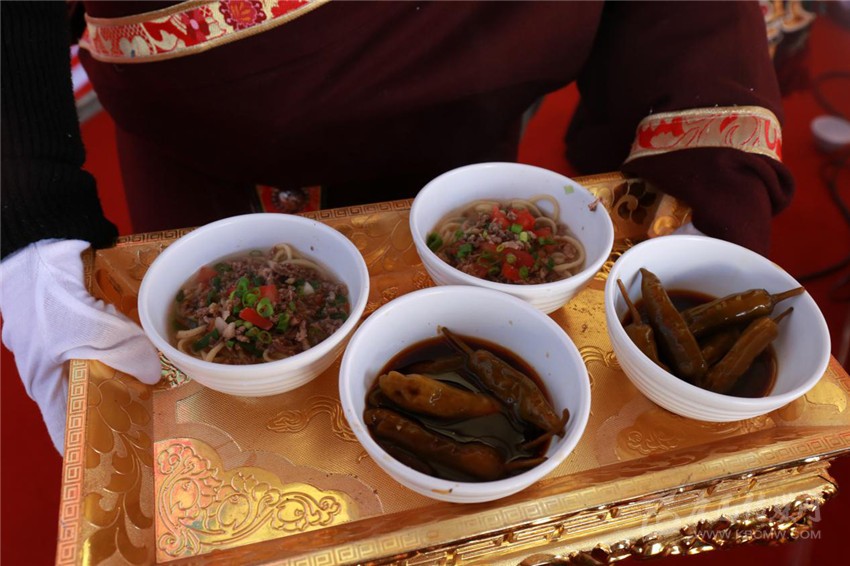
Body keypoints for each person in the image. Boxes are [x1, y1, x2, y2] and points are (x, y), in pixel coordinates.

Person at [1, 0, 794, 452]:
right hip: (195, 137)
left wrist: (705, 176)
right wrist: (26, 217)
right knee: (222, 441)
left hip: (459, 122)